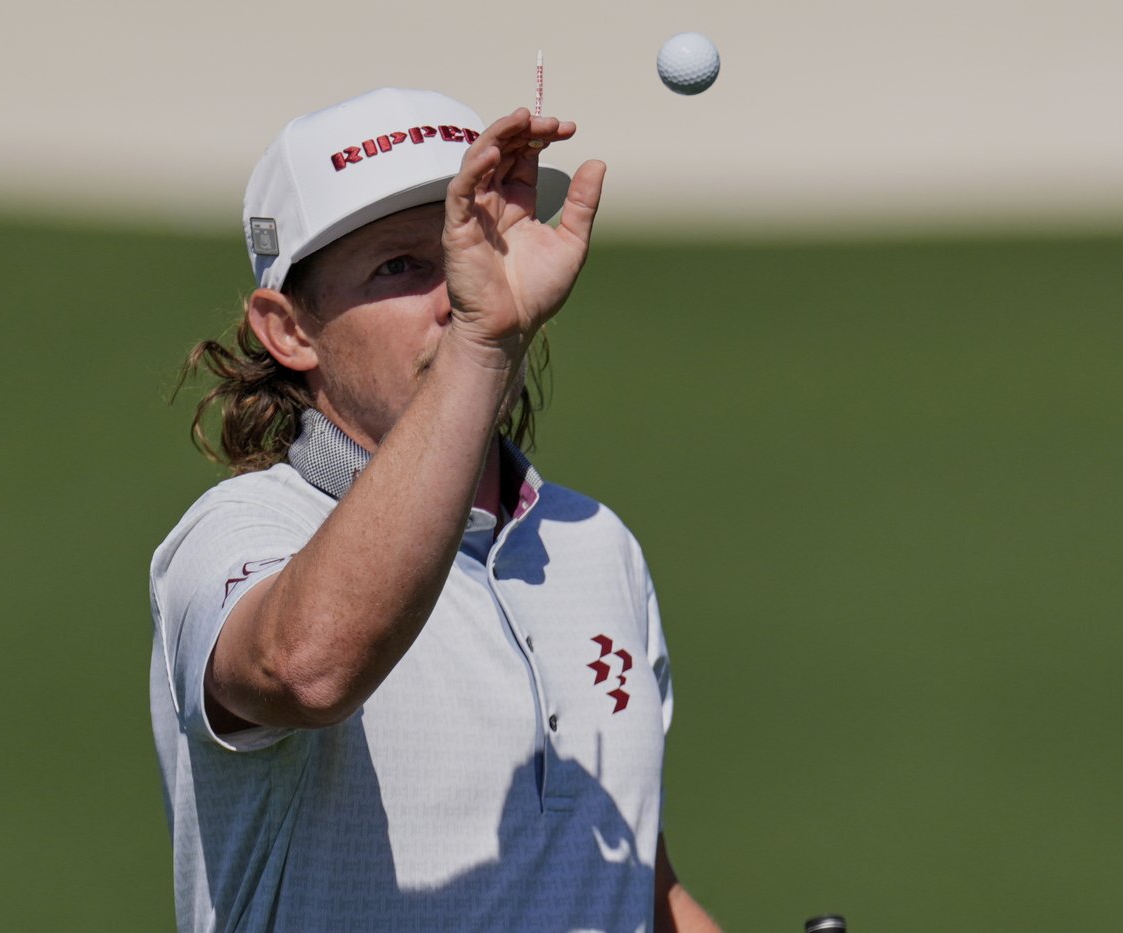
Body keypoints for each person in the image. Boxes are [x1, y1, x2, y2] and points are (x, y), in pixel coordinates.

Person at [150, 87, 721, 932]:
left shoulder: (597, 544)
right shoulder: (239, 532)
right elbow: (309, 667)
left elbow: (634, 882)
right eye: (402, 266)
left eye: (475, 245)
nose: (460, 289)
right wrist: (481, 346)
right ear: (287, 329)